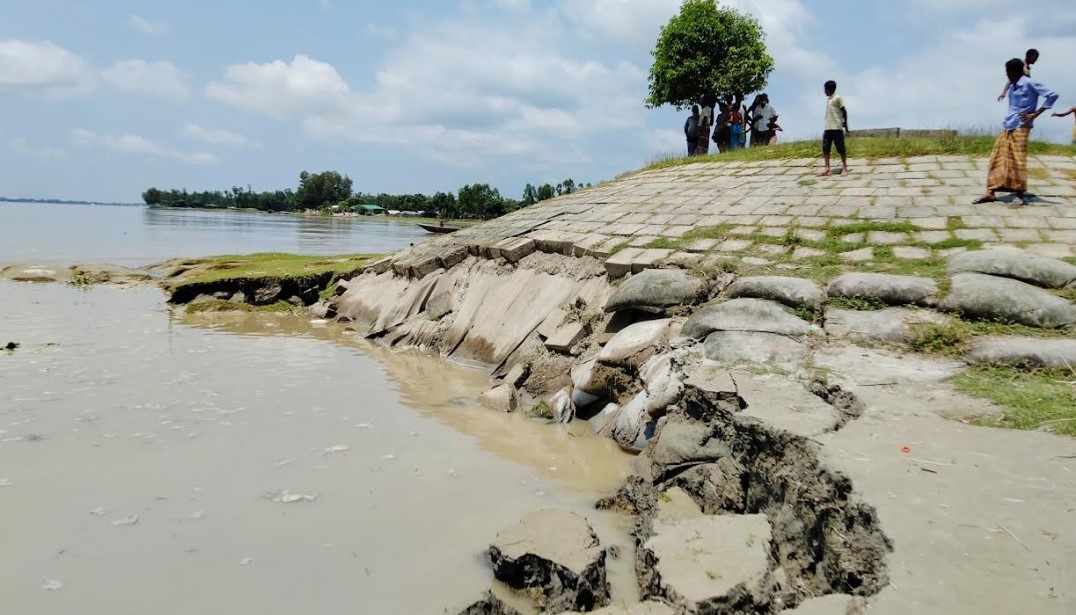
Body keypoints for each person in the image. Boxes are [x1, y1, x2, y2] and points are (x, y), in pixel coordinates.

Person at [974, 58, 1058, 206]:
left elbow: (1052, 95)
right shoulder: (1012, 85)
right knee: (997, 157)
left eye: (1008, 71)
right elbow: (1007, 88)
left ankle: (1019, 193)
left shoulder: (1030, 83)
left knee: (1017, 160)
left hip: (1022, 125)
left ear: (1015, 71)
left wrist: (1036, 113)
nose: (1006, 74)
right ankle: (990, 191)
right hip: (1008, 124)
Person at [820, 80, 849, 176]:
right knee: (825, 148)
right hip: (828, 127)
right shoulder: (828, 99)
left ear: (829, 89)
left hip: (836, 127)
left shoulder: (837, 98)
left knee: (841, 148)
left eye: (825, 89)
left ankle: (845, 168)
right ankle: (827, 168)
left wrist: (845, 123)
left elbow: (844, 111)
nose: (824, 91)